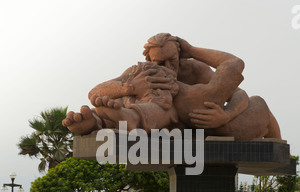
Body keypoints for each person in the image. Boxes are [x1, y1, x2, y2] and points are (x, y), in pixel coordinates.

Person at [62, 34, 281, 141]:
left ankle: (278, 149)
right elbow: (95, 93)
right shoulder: (144, 72)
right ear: (149, 60)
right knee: (132, 106)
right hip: (165, 123)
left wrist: (225, 115)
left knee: (260, 104)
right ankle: (96, 121)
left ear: (180, 54)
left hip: (204, 122)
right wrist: (129, 88)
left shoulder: (196, 71)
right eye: (159, 62)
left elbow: (240, 94)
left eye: (171, 60)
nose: (166, 67)